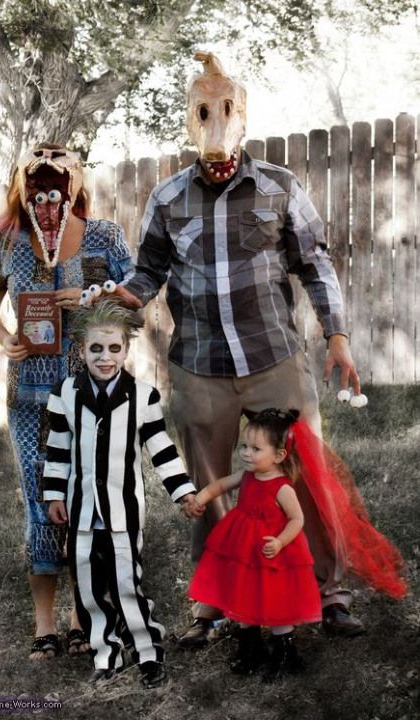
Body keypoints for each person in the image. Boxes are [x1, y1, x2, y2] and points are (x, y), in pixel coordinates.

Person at [114, 50, 367, 644]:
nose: (215, 120)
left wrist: (336, 336)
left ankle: (329, 593)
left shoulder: (281, 186)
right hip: (199, 364)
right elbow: (148, 270)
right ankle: (216, 602)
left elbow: (314, 263)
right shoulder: (167, 198)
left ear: (243, 115)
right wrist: (125, 297)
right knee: (209, 488)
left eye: (225, 109)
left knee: (301, 475)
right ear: (190, 117)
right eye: (202, 110)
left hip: (273, 356)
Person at [0, 144, 134, 660]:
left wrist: (92, 296)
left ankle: (81, 615)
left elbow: (138, 300)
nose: (47, 199)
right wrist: (6, 338)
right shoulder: (8, 241)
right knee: (40, 499)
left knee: (89, 498)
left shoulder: (105, 236)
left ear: (75, 185)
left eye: (57, 185)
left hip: (94, 391)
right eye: (37, 187)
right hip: (30, 394)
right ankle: (44, 621)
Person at [185, 409, 407, 681]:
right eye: (244, 446)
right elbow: (219, 485)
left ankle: (284, 650)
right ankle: (250, 646)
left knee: (276, 600)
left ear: (279, 455)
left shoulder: (282, 487)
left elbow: (296, 519)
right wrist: (200, 498)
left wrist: (280, 541)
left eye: (255, 448)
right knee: (243, 592)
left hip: (274, 552)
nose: (246, 453)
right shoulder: (247, 476)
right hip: (244, 547)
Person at [43, 300, 197, 687]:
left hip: (122, 513)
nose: (105, 357)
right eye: (96, 348)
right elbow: (57, 450)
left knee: (126, 584)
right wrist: (55, 495)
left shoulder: (143, 396)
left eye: (114, 348)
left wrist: (183, 492)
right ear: (81, 350)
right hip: (81, 512)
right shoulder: (65, 393)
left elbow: (162, 450)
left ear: (126, 350)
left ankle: (147, 651)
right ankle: (105, 653)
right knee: (89, 589)